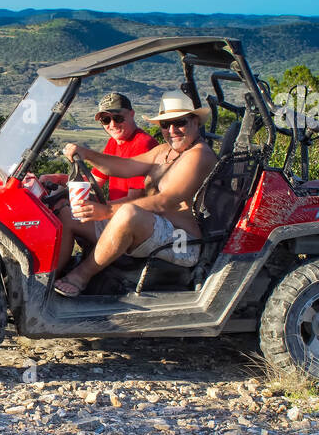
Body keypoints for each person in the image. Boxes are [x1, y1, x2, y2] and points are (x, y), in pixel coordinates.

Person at [53, 90, 218, 297]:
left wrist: (106, 211)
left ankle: (80, 276)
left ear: (195, 121)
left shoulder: (199, 155)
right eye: (166, 125)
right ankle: (48, 281)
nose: (172, 130)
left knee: (128, 213)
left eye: (180, 122)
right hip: (150, 230)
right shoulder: (164, 152)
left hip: (181, 241)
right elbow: (126, 166)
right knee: (69, 215)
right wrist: (87, 154)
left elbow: (164, 202)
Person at [52, 92, 155, 258]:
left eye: (118, 118)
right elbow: (94, 181)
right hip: (115, 213)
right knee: (61, 205)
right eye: (106, 120)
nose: (112, 124)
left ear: (131, 114)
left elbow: (135, 200)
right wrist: (59, 179)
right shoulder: (114, 142)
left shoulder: (142, 144)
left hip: (129, 222)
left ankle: (53, 277)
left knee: (66, 217)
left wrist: (102, 209)